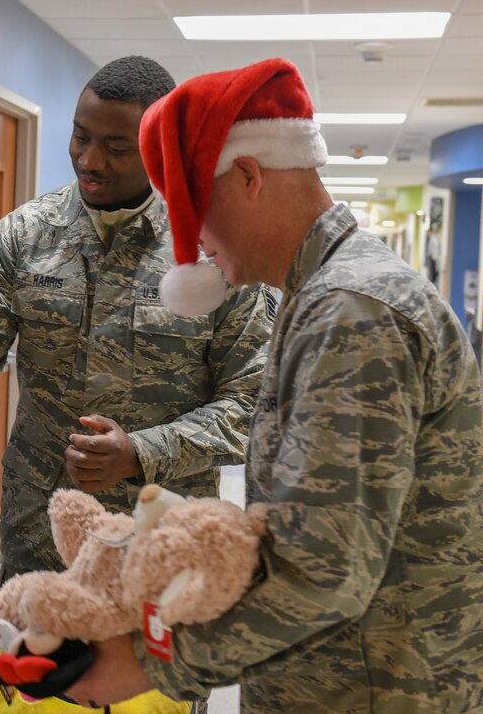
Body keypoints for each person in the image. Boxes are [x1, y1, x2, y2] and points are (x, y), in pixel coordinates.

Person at [65, 58, 483, 712]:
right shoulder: (321, 296)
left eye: (192, 209)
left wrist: (153, 660)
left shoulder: (351, 311)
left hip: (373, 689)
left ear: (249, 176)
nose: (195, 242)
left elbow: (324, 570)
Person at [0, 55, 273, 582]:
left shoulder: (213, 251)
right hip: (40, 528)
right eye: (80, 137)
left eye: (116, 147)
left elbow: (254, 404)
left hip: (162, 532)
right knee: (26, 662)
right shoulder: (25, 236)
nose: (90, 160)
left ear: (162, 147)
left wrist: (142, 451)